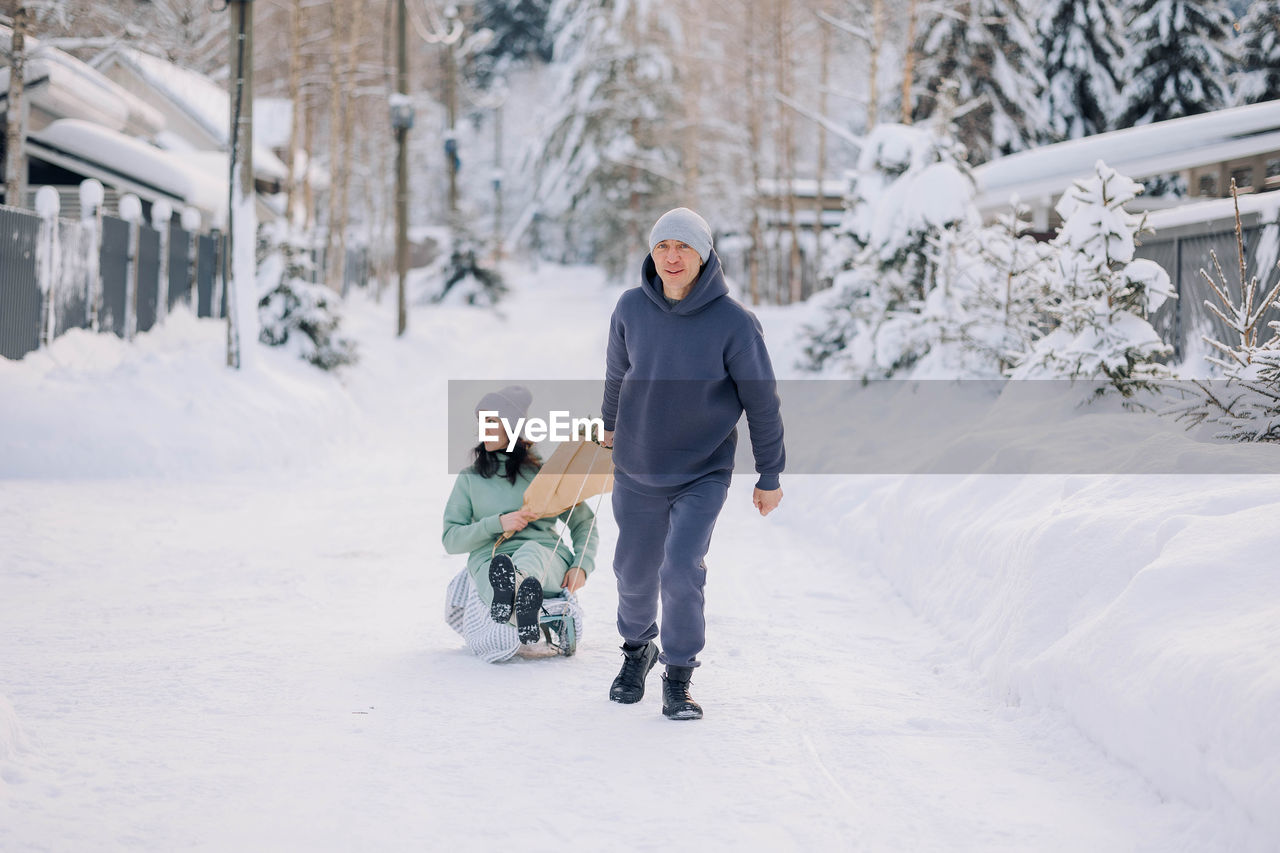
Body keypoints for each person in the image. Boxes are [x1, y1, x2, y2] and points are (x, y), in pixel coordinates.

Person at [601, 208, 785, 720]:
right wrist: (609, 427)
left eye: (683, 246)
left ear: (704, 254)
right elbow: (617, 375)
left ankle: (678, 677)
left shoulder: (735, 323)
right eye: (663, 246)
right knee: (632, 573)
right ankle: (638, 651)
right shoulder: (630, 309)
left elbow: (762, 403)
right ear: (652, 253)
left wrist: (770, 474)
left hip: (702, 472)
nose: (672, 256)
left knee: (680, 567)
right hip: (637, 466)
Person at [442, 385, 599, 663]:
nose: (483, 430)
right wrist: (496, 524)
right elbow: (451, 539)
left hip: (545, 554)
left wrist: (581, 565)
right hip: (489, 555)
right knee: (495, 570)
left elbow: (584, 522)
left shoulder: (543, 475)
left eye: (492, 422)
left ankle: (518, 592)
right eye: (481, 422)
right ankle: (519, 607)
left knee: (530, 553)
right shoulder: (469, 479)